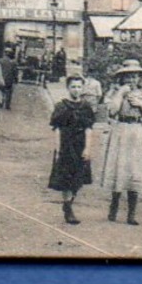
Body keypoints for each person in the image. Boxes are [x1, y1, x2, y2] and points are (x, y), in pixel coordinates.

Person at [97, 59, 142, 224]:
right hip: (121, 130)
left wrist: (140, 105)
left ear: (140, 77)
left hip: (136, 131)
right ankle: (114, 207)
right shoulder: (115, 91)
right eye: (128, 77)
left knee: (135, 171)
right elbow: (112, 111)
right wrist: (121, 94)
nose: (132, 80)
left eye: (135, 76)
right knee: (119, 168)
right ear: (122, 78)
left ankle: (132, 214)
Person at [48, 75, 97, 225]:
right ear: (68, 88)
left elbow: (89, 129)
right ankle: (68, 208)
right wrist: (58, 150)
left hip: (80, 144)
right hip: (66, 144)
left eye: (79, 87)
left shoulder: (86, 107)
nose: (76, 90)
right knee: (66, 178)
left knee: (78, 178)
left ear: (83, 88)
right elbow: (57, 129)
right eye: (73, 87)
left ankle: (68, 203)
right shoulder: (61, 106)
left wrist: (88, 148)